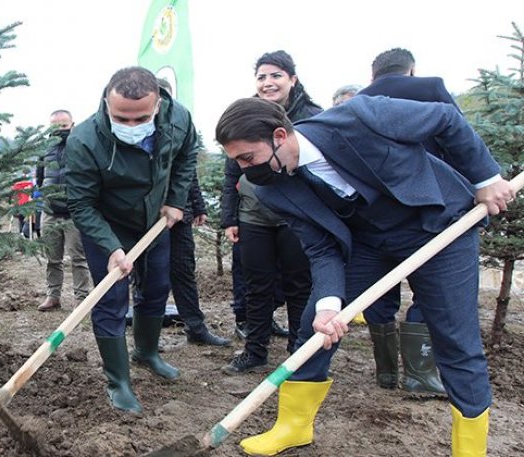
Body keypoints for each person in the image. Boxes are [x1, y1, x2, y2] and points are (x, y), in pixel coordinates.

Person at [215, 96, 514, 456]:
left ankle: (470, 449)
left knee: (454, 338)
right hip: (368, 244)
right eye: (237, 162)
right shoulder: (271, 187)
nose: (246, 169)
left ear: (280, 135)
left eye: (248, 158)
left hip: (440, 226)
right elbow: (322, 247)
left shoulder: (360, 117)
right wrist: (329, 305)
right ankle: (293, 426)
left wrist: (486, 178)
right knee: (315, 324)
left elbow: (446, 119)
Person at [66, 66, 197, 413]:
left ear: (157, 106)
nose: (130, 126)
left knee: (156, 287)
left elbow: (187, 156)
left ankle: (147, 352)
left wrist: (176, 200)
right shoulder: (84, 140)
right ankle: (118, 382)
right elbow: (80, 202)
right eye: (120, 118)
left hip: (154, 220)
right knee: (111, 301)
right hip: (106, 226)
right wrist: (111, 247)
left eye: (140, 118)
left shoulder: (179, 119)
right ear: (107, 102)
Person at [356, 47, 461, 396]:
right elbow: (457, 139)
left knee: (379, 290)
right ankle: (419, 375)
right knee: (429, 291)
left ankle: (386, 372)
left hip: (375, 218)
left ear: (374, 74)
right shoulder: (430, 89)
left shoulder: (358, 103)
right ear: (411, 70)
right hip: (428, 212)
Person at [220, 50, 316, 374]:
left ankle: (298, 350)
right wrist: (229, 218)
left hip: (296, 216)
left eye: (276, 75)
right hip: (254, 216)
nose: (268, 82)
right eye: (261, 76)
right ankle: (255, 350)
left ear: (292, 79)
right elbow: (232, 171)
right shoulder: (243, 117)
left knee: (298, 283)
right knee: (257, 284)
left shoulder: (311, 115)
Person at [148, 78, 228, 347]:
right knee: (149, 276)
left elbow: (187, 172)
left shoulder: (180, 127)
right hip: (148, 215)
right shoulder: (140, 129)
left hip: (179, 214)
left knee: (184, 270)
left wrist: (198, 206)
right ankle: (147, 335)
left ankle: (195, 327)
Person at [35, 109, 93, 311]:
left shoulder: (81, 146)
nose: (59, 130)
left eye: (64, 125)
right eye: (55, 126)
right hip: (50, 211)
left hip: (74, 213)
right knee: (52, 258)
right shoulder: (45, 149)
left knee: (78, 258)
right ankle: (53, 296)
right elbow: (40, 177)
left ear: (72, 124)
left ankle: (81, 298)